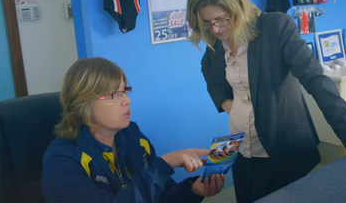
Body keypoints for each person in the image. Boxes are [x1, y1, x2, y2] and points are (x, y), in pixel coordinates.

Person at [186, 0, 346, 203]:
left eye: (222, 19)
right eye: (207, 23)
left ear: (237, 7)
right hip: (240, 149)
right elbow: (209, 72)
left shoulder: (275, 27)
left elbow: (316, 80)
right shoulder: (216, 44)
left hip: (282, 149)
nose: (216, 29)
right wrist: (230, 105)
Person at [42, 57, 225, 202]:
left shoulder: (133, 136)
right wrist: (164, 165)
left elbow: (160, 195)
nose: (127, 101)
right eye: (115, 95)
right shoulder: (62, 158)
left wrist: (193, 189)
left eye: (125, 91)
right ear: (84, 103)